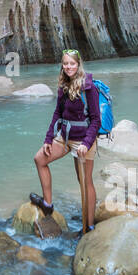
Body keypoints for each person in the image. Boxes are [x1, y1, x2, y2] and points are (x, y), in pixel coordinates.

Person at [30, 48, 101, 233]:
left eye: (72, 63)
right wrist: (48, 139)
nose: (69, 67)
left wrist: (86, 144)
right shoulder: (63, 86)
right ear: (62, 65)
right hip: (64, 136)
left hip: (84, 140)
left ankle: (89, 226)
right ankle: (47, 204)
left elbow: (96, 120)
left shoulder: (89, 87)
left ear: (78, 65)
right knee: (40, 159)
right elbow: (57, 114)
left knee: (85, 182)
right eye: (66, 63)